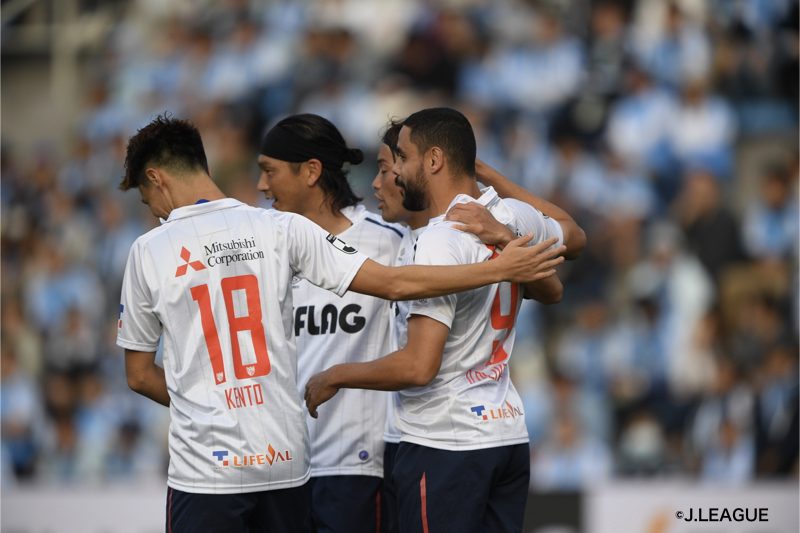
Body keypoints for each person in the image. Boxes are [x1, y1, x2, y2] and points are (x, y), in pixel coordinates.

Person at [116, 113, 564, 533]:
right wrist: (502, 263)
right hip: (288, 458)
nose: (153, 209)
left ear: (156, 178)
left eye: (145, 197)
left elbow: (138, 375)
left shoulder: (151, 250)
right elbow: (395, 284)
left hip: (248, 466)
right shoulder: (278, 229)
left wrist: (214, 408)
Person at [306, 107, 574, 532]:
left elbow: (419, 366)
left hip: (445, 442)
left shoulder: (439, 240)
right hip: (504, 432)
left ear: (433, 160)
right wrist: (501, 221)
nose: (395, 171)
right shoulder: (510, 216)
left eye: (402, 158)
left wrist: (335, 375)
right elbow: (569, 242)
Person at [255, 113, 402, 533]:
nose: (262, 185)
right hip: (282, 466)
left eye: (270, 171)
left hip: (355, 466)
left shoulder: (386, 242)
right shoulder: (265, 248)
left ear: (311, 171)